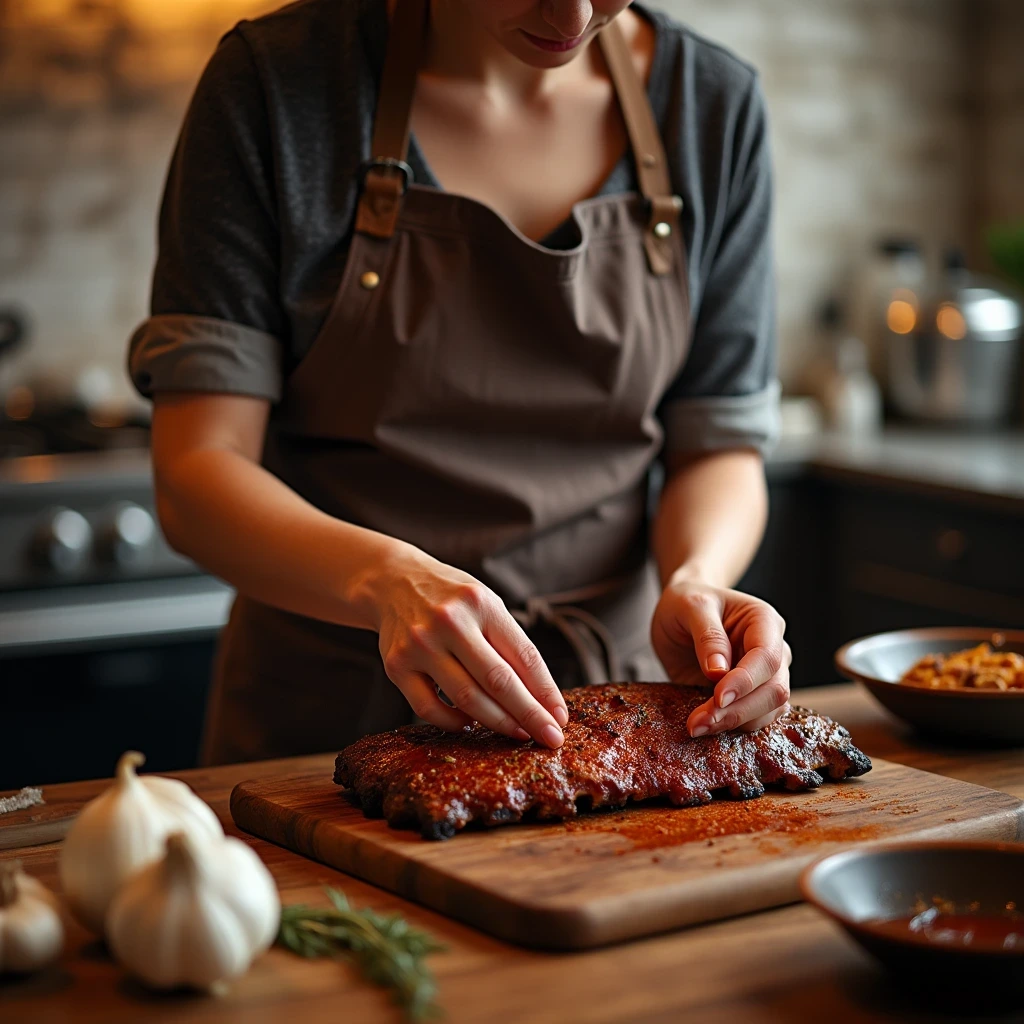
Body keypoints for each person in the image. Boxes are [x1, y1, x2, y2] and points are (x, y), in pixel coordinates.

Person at [130, 0, 790, 765]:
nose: (573, 14)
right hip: (327, 725)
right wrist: (384, 580)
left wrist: (697, 578)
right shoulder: (277, 85)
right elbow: (197, 474)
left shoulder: (712, 103)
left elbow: (720, 446)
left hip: (620, 723)